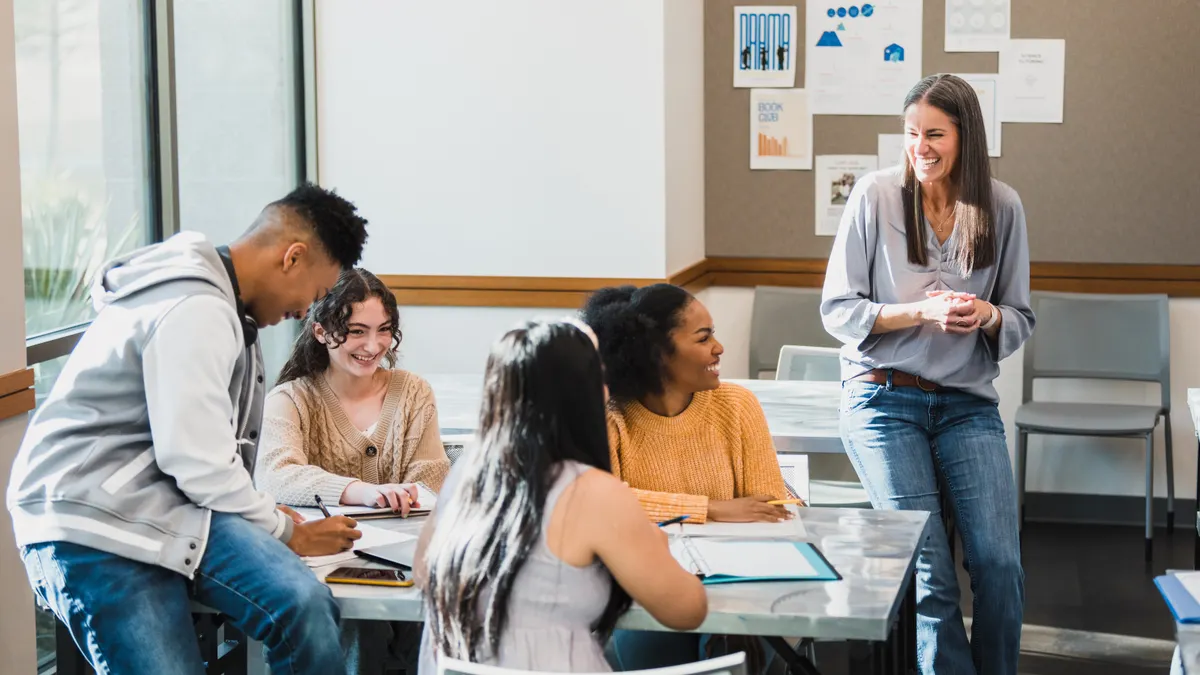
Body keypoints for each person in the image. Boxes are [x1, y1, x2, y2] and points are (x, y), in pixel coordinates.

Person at [7, 183, 369, 675]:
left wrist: (266, 519)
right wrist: (283, 530)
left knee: (304, 605)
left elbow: (201, 458)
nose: (308, 310)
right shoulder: (196, 308)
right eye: (318, 293)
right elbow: (195, 459)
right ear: (293, 257)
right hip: (97, 521)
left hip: (169, 507)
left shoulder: (225, 307)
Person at [820, 74, 1035, 675]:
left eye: (935, 134)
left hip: (966, 404)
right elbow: (838, 310)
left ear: (966, 137)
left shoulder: (1004, 206)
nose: (921, 147)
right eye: (912, 133)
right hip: (882, 401)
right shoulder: (874, 196)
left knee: (999, 566)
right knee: (930, 572)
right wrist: (920, 310)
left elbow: (1019, 315)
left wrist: (988, 313)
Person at [414, 320, 707, 675]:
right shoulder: (592, 491)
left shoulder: (467, 471)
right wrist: (656, 548)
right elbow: (687, 611)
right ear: (584, 394)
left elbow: (422, 571)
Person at [581, 283, 792, 671]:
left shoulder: (737, 406)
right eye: (704, 337)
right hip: (642, 592)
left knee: (733, 642)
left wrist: (656, 509)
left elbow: (768, 508)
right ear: (656, 351)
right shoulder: (610, 418)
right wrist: (711, 509)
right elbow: (599, 507)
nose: (719, 348)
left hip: (735, 587)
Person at [256, 266, 451, 674]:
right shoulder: (291, 398)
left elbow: (432, 476)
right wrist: (361, 490)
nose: (373, 344)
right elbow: (276, 475)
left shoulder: (413, 391)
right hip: (329, 569)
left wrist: (408, 492)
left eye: (383, 330)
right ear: (321, 332)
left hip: (404, 563)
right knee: (362, 634)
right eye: (357, 331)